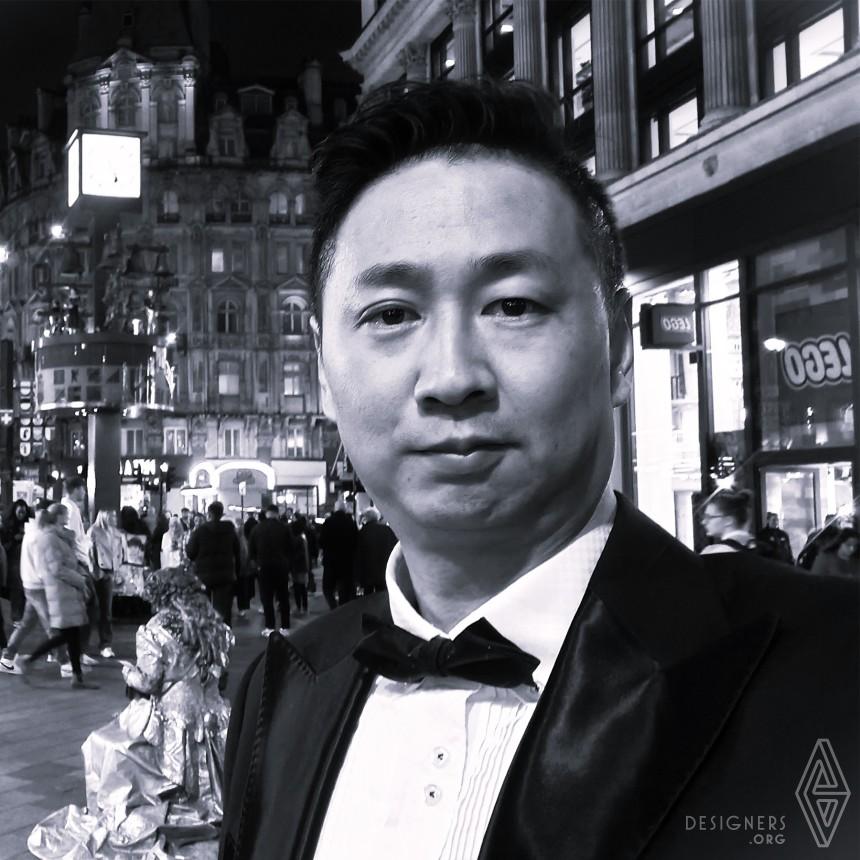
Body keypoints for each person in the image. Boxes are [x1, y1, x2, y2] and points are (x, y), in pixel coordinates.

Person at [219, 80, 859, 860]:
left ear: (616, 347)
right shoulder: (276, 692)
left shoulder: (830, 667)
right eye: (391, 314)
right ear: (323, 369)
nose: (451, 377)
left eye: (513, 305)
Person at [28, 567, 234, 859]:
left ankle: (148, 805)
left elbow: (149, 682)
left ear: (159, 597)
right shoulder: (216, 626)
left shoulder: (155, 630)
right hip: (216, 716)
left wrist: (128, 674)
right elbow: (221, 676)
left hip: (172, 719)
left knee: (105, 743)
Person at [21, 505, 97, 689]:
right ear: (57, 516)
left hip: (67, 591)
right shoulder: (49, 539)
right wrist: (80, 580)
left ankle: (76, 677)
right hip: (62, 592)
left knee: (70, 635)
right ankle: (30, 660)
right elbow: (57, 569)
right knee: (67, 635)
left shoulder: (57, 537)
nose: (68, 517)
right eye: (65, 514)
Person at [186, 500, 240, 626]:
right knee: (224, 610)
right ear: (221, 514)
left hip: (204, 574)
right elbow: (237, 551)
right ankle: (224, 632)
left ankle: (206, 632)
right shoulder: (230, 531)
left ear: (208, 514)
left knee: (203, 608)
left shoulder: (200, 531)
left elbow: (190, 553)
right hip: (225, 575)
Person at [248, 504, 294, 635]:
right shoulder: (284, 528)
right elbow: (291, 548)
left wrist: (256, 564)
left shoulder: (257, 528)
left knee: (267, 598)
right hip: (281, 566)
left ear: (266, 513)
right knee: (283, 597)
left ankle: (270, 626)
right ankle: (285, 626)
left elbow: (251, 550)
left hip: (264, 567)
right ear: (277, 513)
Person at [86, 509, 122, 658]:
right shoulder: (93, 531)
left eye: (115, 516)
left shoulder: (116, 533)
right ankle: (83, 644)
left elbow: (119, 553)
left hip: (109, 572)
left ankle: (106, 644)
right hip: (97, 572)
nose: (114, 519)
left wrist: (117, 570)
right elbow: (89, 552)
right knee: (91, 609)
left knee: (106, 610)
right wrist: (94, 570)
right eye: (111, 516)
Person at [319, 499, 358, 608]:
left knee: (327, 588)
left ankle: (333, 607)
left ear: (335, 509)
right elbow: (356, 542)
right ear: (344, 509)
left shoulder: (328, 522)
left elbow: (322, 542)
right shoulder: (351, 523)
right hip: (346, 561)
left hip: (330, 561)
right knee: (344, 589)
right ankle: (342, 609)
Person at [354, 506, 397, 595]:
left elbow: (358, 554)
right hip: (383, 570)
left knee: (368, 594)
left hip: (367, 571)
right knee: (382, 594)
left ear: (366, 518)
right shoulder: (387, 530)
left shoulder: (362, 532)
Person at [698, 488, 756, 554]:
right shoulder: (762, 549)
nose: (703, 522)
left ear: (728, 520)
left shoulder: (713, 552)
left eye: (709, 517)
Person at [1, 499, 31, 625]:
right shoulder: (6, 527)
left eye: (23, 512)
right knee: (16, 590)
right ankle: (17, 617)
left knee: (23, 590)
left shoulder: (29, 525)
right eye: (20, 512)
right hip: (13, 563)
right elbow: (3, 547)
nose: (21, 514)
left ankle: (21, 617)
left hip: (26, 562)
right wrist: (15, 539)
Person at [290, 514, 311, 616]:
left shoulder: (295, 540)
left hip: (296, 567)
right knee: (303, 588)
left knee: (297, 587)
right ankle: (305, 607)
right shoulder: (303, 538)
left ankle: (299, 607)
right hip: (303, 567)